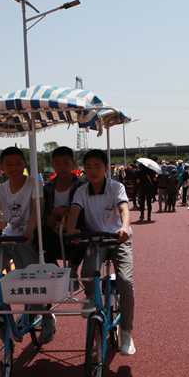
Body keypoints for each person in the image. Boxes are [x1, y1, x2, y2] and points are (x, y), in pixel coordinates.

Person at [0, 147, 55, 344]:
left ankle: (47, 317)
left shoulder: (34, 183)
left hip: (28, 239)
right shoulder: (0, 190)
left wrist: (30, 229)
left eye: (17, 163)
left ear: (24, 164)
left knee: (28, 281)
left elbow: (38, 207)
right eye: (8, 164)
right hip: (8, 236)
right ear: (2, 167)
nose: (13, 168)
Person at [66, 149, 136, 356]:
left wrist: (124, 227)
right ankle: (90, 295)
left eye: (97, 166)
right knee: (87, 274)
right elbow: (74, 213)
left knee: (125, 281)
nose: (93, 171)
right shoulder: (81, 191)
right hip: (96, 242)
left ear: (106, 168)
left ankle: (126, 332)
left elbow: (124, 209)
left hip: (119, 239)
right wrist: (71, 229)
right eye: (88, 167)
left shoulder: (116, 187)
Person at [41, 146, 88, 287]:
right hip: (55, 231)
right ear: (53, 165)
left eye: (66, 163)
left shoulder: (82, 185)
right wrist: (48, 220)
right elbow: (44, 212)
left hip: (75, 229)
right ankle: (57, 272)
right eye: (58, 163)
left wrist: (68, 210)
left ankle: (73, 270)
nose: (62, 167)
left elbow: (88, 210)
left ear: (73, 163)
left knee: (83, 234)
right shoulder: (47, 187)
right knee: (39, 235)